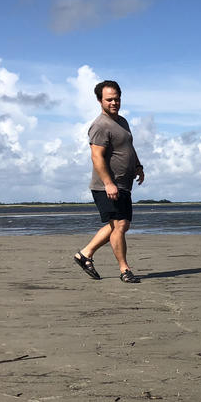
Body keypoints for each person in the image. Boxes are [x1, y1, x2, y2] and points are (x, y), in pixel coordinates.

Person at [73, 80, 145, 283]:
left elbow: (129, 147)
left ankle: (85, 254)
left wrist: (138, 166)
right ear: (99, 100)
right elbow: (96, 156)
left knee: (122, 225)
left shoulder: (122, 122)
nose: (114, 102)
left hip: (123, 184)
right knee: (119, 224)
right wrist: (108, 183)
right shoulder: (100, 125)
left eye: (117, 99)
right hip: (106, 185)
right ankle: (125, 270)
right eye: (109, 99)